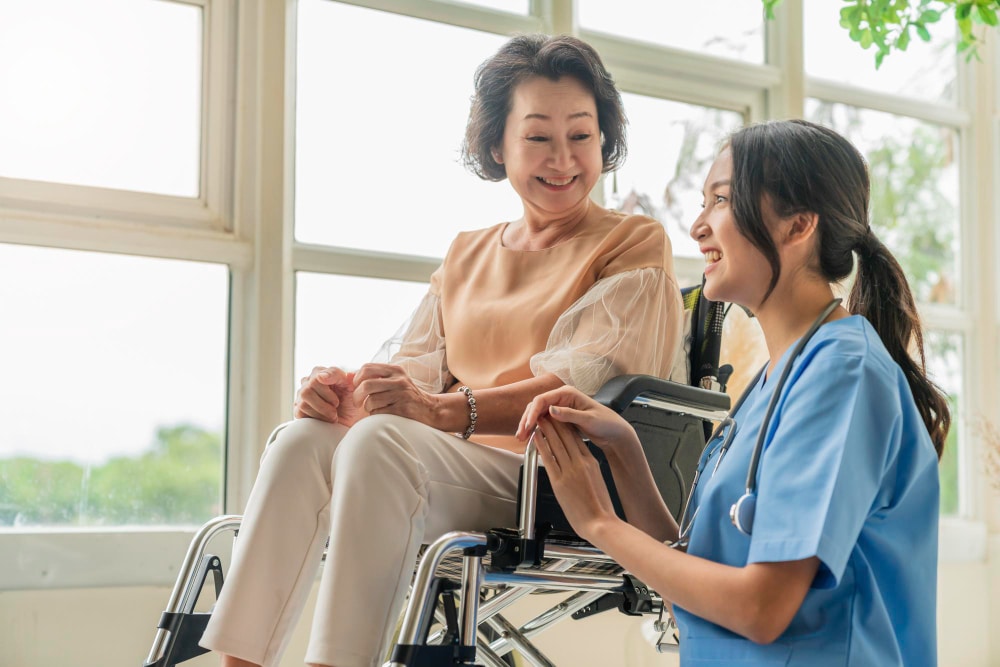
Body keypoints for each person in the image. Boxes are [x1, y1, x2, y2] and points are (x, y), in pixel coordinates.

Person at [199, 34, 684, 667]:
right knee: (300, 439)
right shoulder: (466, 252)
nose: (563, 158)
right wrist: (345, 393)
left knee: (380, 443)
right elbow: (414, 376)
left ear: (603, 142)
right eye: (538, 137)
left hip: (551, 480)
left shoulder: (631, 242)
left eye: (582, 136)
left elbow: (578, 388)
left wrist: (439, 413)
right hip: (443, 464)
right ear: (496, 146)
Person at [517, 119, 951, 666]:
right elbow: (695, 587)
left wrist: (598, 524)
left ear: (798, 227)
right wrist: (625, 451)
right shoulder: (773, 381)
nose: (698, 226)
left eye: (720, 200)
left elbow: (761, 608)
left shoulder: (843, 373)